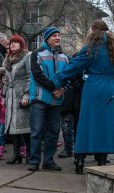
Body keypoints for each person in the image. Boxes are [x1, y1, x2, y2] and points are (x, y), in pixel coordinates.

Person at [54, 20, 114, 172]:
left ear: (94, 31)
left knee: (86, 123)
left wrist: (58, 77)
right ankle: (102, 162)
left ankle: (80, 162)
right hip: (109, 87)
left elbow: (75, 66)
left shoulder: (92, 47)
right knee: (105, 125)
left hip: (93, 86)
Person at [28, 26, 69, 172]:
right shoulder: (37, 54)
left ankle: (49, 160)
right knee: (37, 131)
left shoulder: (64, 57)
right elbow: (38, 75)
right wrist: (54, 89)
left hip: (56, 101)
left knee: (53, 132)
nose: (57, 37)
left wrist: (63, 89)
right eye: (54, 35)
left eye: (59, 35)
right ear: (47, 38)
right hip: (40, 99)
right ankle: (34, 161)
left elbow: (68, 77)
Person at [0, 34, 31, 164]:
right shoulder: (8, 59)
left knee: (25, 127)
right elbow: (6, 80)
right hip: (10, 98)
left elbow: (30, 77)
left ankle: (29, 154)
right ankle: (16, 154)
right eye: (11, 43)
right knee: (12, 127)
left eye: (16, 42)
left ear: (21, 44)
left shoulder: (27, 57)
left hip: (21, 97)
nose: (12, 45)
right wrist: (4, 96)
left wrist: (26, 95)